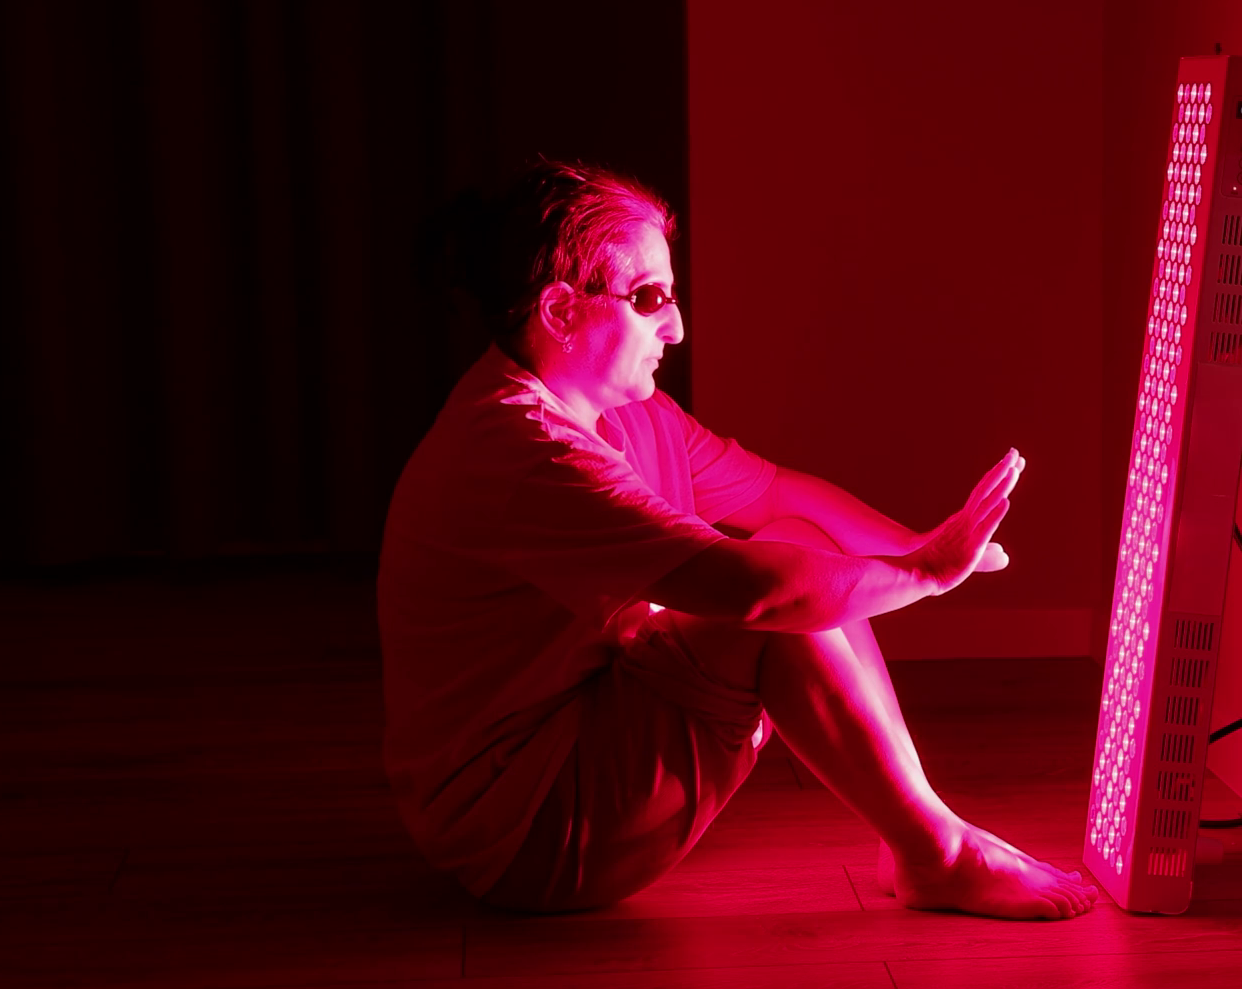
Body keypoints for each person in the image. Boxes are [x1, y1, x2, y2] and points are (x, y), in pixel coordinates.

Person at [380, 158, 1096, 919]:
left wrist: (923, 545)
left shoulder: (624, 411)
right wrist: (925, 574)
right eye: (647, 298)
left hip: (573, 744)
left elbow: (777, 495)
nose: (676, 327)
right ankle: (937, 852)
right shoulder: (526, 451)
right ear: (559, 311)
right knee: (771, 606)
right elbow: (757, 593)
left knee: (797, 539)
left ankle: (920, 834)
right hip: (524, 835)